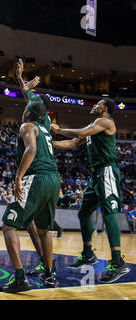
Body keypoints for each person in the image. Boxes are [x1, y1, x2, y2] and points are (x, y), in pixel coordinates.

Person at [51, 98, 131, 283]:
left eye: (98, 104)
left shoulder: (105, 121)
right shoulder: (93, 125)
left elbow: (80, 132)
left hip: (107, 170)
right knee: (84, 212)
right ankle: (88, 254)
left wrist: (59, 129)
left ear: (105, 109)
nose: (94, 105)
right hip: (96, 175)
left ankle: (118, 263)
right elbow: (72, 143)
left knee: (109, 214)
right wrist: (48, 144)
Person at [0, 101, 60, 293]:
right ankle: (49, 273)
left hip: (36, 177)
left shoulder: (27, 126)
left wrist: (18, 177)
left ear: (28, 112)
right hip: (53, 179)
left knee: (8, 225)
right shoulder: (45, 129)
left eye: (25, 108)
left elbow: (31, 149)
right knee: (43, 230)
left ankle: (19, 278)